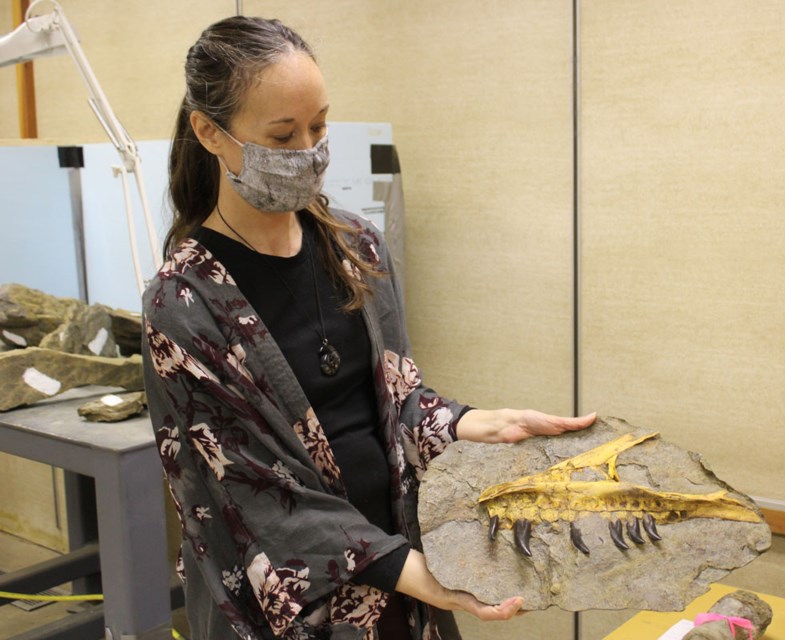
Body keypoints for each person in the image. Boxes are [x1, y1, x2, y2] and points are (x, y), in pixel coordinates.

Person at [141, 15, 594, 640]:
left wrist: (473, 423)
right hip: (288, 608)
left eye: (319, 126)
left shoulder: (354, 247)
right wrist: (415, 572)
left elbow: (395, 400)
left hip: (397, 572)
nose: (308, 151)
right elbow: (255, 495)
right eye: (282, 135)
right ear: (209, 132)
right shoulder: (183, 304)